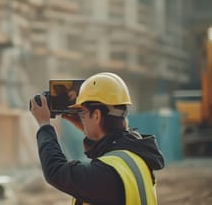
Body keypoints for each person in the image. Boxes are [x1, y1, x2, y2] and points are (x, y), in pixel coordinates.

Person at [29, 72, 164, 204]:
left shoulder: (105, 173)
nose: (82, 118)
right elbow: (112, 147)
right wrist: (91, 129)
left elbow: (56, 171)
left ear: (97, 116)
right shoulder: (136, 157)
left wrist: (44, 125)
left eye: (83, 113)